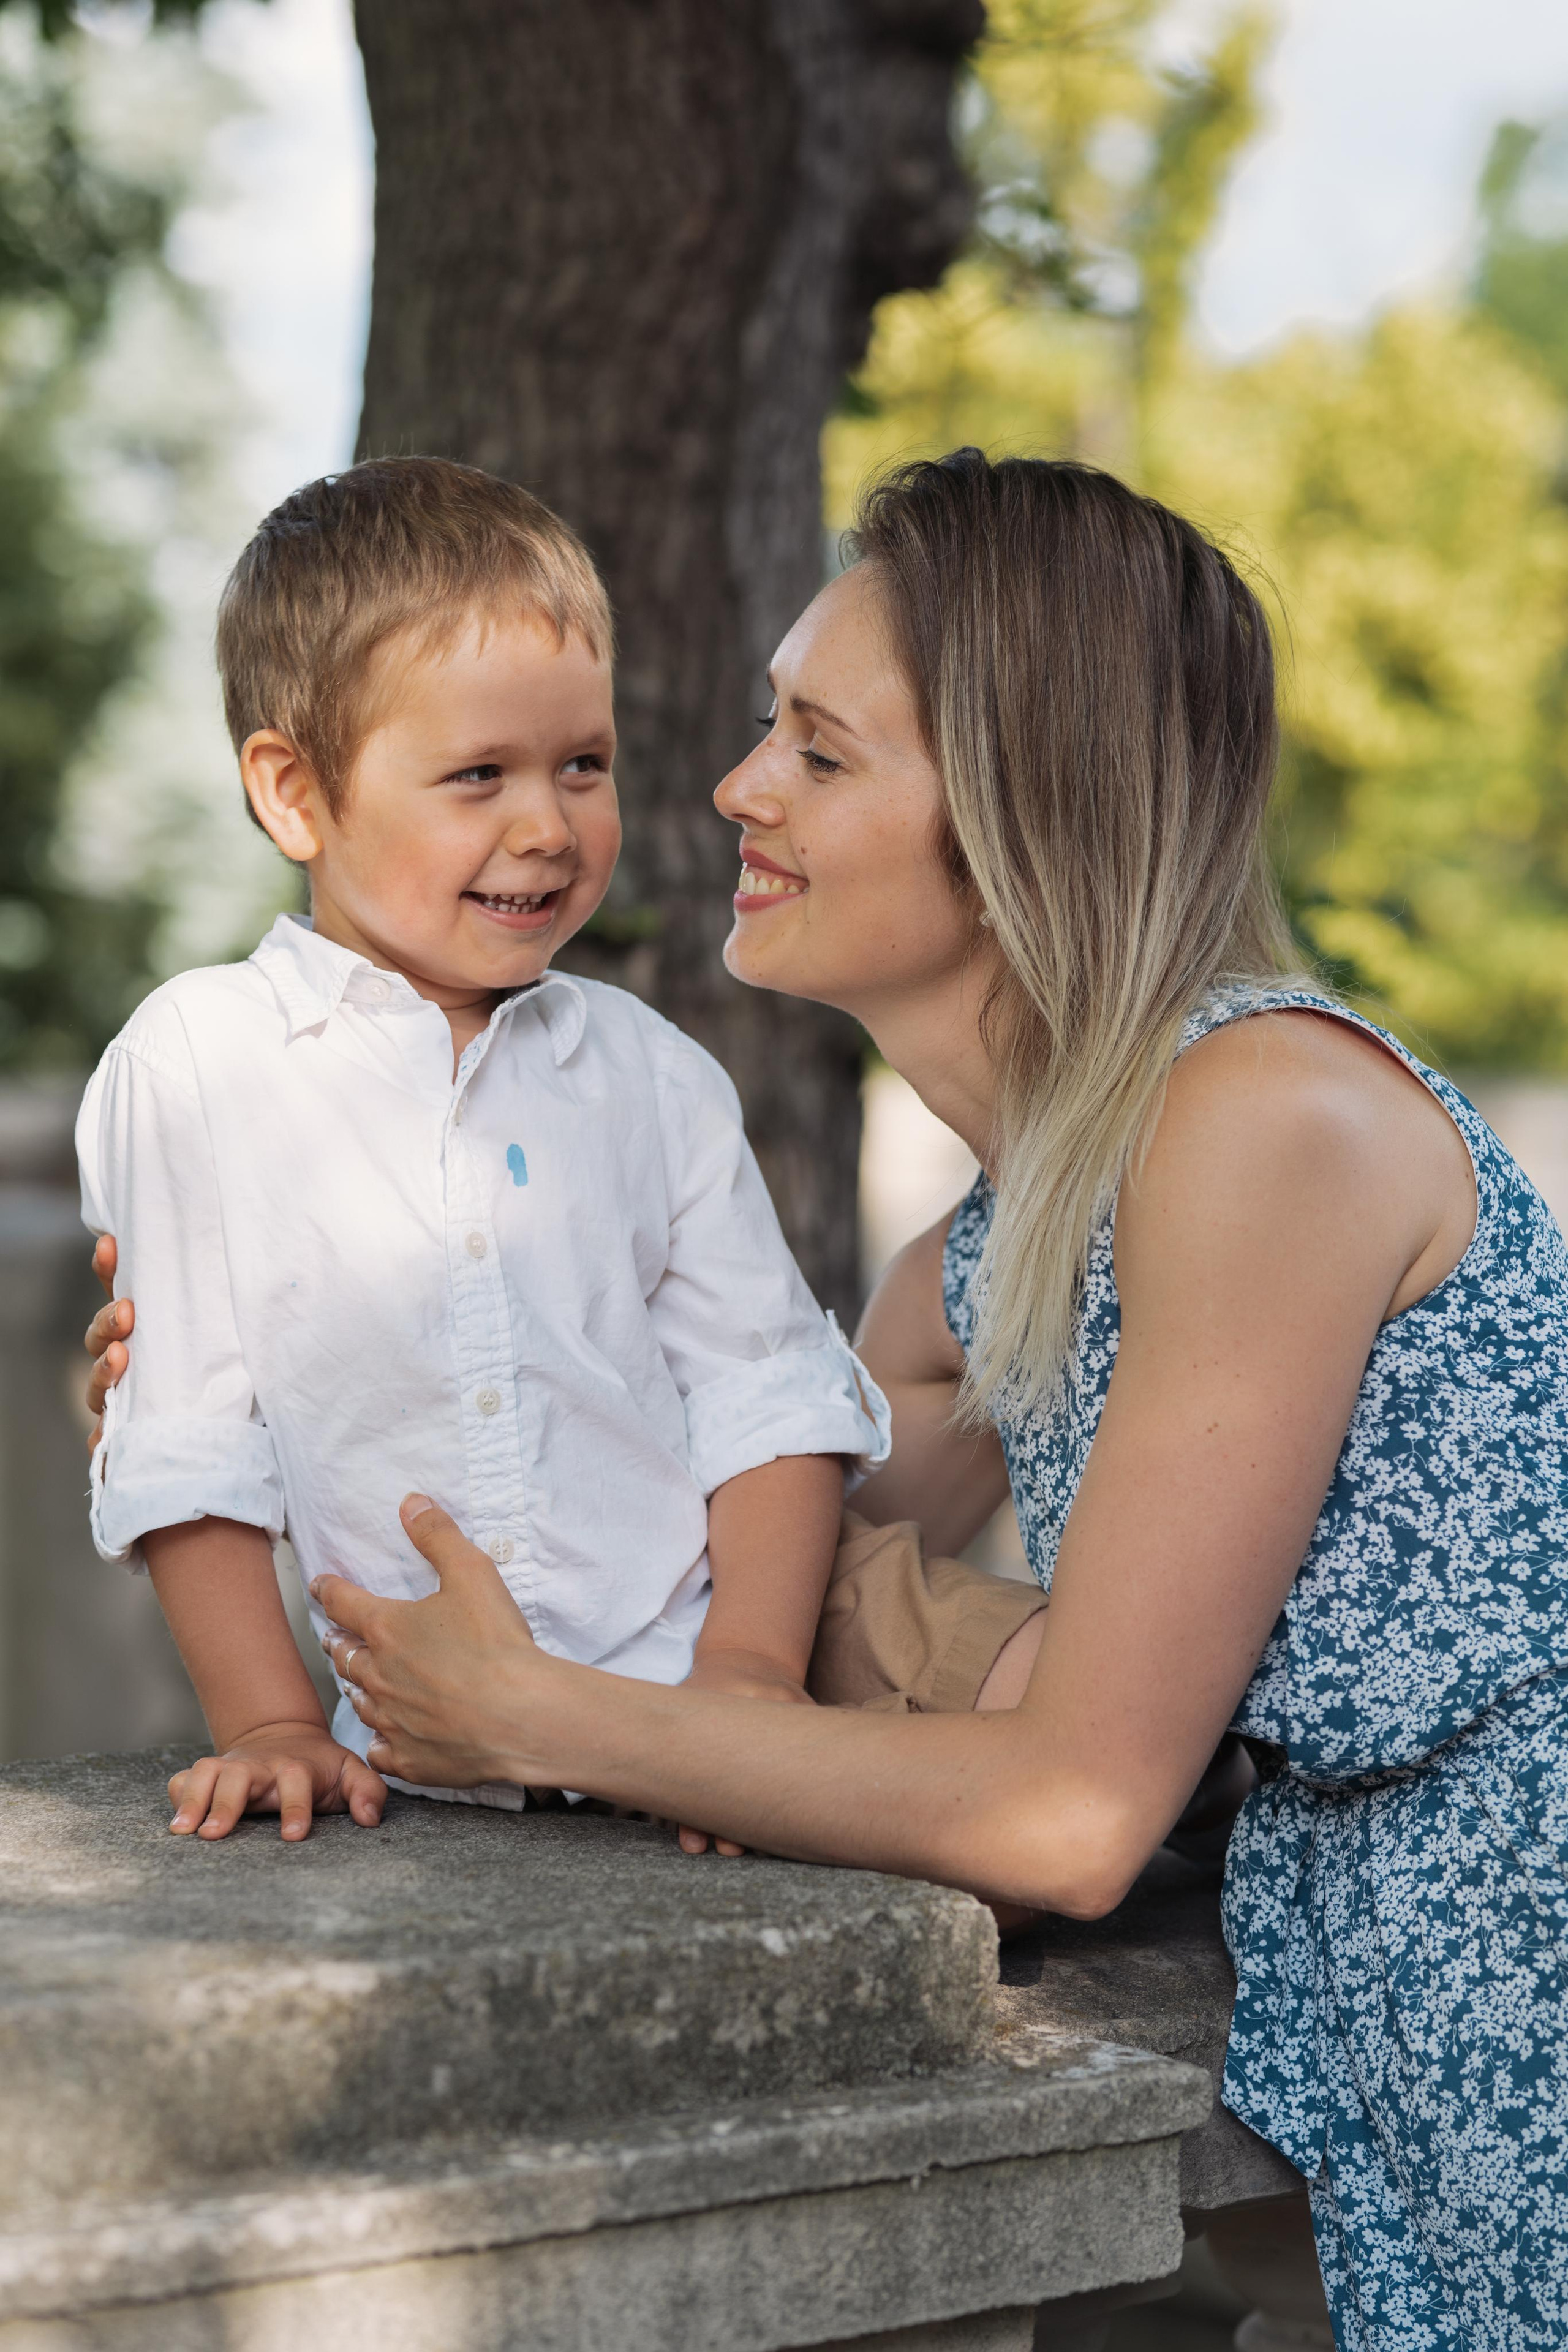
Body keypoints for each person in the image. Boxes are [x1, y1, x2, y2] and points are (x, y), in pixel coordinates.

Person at [86, 450, 1568, 2351]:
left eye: (819, 748)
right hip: (1392, 1993)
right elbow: (751, 1511)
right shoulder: (1030, 1219)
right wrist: (245, 1372)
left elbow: (1071, 1813)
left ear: (1022, 812)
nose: (731, 787)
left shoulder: (1259, 1124)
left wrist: (549, 1716)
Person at [77, 453, 994, 1848]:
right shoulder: (198, 1064)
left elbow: (763, 1397)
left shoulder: (650, 1077)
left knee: (1111, 1740)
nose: (545, 827)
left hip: (713, 1667)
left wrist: (739, 1687)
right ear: (293, 793)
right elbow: (185, 1429)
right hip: (417, 1747)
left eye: (583, 764)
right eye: (476, 776)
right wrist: (267, 1725)